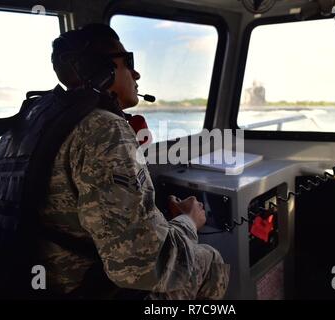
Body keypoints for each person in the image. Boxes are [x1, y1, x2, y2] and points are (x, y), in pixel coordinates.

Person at [33, 23, 229, 299]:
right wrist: (188, 221)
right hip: (86, 291)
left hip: (27, 284)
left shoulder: (28, 124)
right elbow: (144, 267)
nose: (136, 73)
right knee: (209, 261)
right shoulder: (104, 128)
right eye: (128, 62)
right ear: (102, 71)